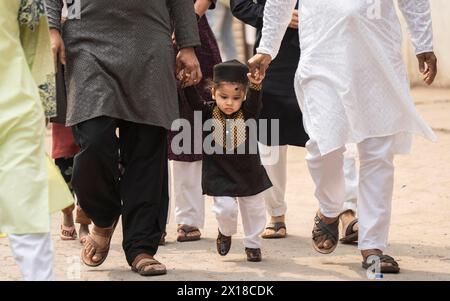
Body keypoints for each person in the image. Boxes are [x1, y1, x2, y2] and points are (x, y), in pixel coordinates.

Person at [249, 0, 437, 273]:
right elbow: (279, 2)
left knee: (378, 153)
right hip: (322, 57)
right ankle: (329, 208)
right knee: (322, 145)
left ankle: (373, 244)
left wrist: (424, 44)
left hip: (378, 59)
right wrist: (267, 48)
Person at [46, 0, 203, 276]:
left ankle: (141, 246)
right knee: (93, 139)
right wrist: (51, 27)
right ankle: (104, 215)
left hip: (149, 43)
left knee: (146, 147)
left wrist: (188, 44)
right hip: (87, 41)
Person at [231, 0, 359, 241]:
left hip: (325, 50)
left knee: (336, 132)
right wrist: (281, 17)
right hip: (274, 57)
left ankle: (345, 211)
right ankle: (276, 214)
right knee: (270, 137)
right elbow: (240, 4)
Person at [0, 0, 73, 281]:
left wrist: (42, 105)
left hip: (15, 110)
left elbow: (35, 39)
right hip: (17, 106)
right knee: (27, 205)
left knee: (27, 207)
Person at [182, 60, 271, 262]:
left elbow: (256, 103)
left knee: (254, 209)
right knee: (225, 209)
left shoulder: (247, 113)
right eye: (223, 97)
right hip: (219, 173)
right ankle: (225, 231)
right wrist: (187, 85)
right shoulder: (207, 113)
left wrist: (256, 85)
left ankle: (253, 244)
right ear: (213, 93)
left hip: (249, 172)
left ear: (244, 97)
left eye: (236, 97)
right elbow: (194, 103)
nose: (229, 102)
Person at [168, 0, 222, 243]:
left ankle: (188, 218)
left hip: (193, 31)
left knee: (189, 130)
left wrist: (188, 22)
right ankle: (150, 220)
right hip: (143, 29)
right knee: (147, 131)